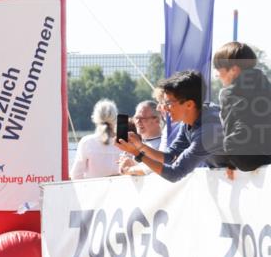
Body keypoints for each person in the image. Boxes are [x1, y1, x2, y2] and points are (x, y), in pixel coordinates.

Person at [116, 70, 224, 182]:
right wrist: (139, 146)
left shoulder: (208, 130)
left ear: (189, 104)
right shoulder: (190, 120)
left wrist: (137, 153)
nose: (164, 108)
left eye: (168, 104)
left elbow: (174, 173)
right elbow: (171, 156)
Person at [213, 41, 271, 174]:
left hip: (247, 159)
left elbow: (229, 130)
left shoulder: (228, 92)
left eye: (218, 68)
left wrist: (229, 159)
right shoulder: (266, 86)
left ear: (233, 69)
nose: (217, 74)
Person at [71, 99, 123, 179]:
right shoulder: (124, 142)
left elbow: (76, 175)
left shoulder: (86, 142)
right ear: (115, 118)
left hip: (92, 190)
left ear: (95, 118)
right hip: (121, 190)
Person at [118, 100, 163, 176]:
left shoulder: (164, 143)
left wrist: (130, 168)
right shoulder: (134, 145)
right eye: (136, 118)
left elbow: (157, 167)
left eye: (142, 118)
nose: (138, 121)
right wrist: (123, 165)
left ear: (157, 120)